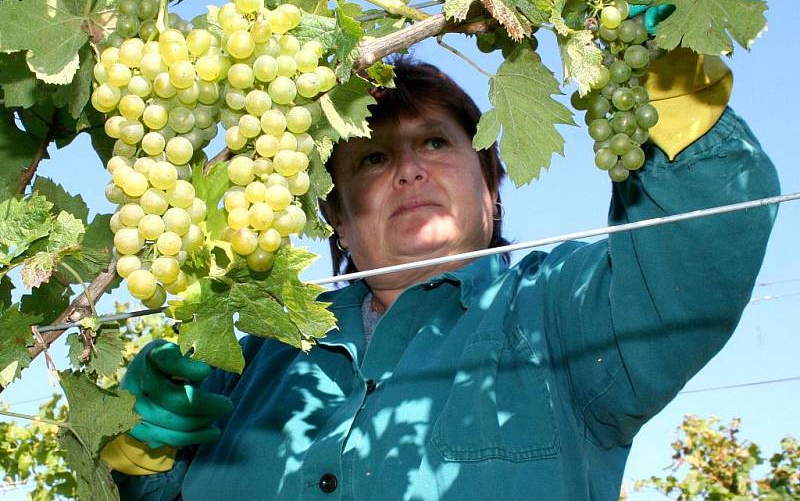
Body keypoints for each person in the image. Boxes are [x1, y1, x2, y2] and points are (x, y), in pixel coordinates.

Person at [101, 45, 780, 499]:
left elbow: (709, 234)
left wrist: (647, 57)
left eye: (434, 142)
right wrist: (133, 452)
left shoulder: (563, 314)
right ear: (334, 217)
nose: (409, 169)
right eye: (371, 159)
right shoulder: (241, 368)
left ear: (491, 189)